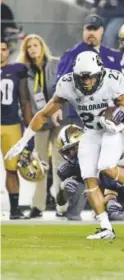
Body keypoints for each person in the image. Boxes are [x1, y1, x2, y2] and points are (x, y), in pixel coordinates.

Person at [5, 51, 124, 240]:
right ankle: (105, 228)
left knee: (106, 167)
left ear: (99, 74)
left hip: (112, 131)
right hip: (91, 132)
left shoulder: (112, 81)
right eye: (82, 78)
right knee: (89, 178)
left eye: (90, 77)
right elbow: (44, 114)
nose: (85, 82)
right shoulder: (67, 84)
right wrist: (23, 140)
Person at [17, 34, 64, 218]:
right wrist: (30, 121)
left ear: (42, 46)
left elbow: (64, 88)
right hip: (40, 123)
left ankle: (62, 206)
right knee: (40, 164)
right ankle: (38, 206)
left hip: (58, 119)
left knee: (60, 164)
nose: (33, 49)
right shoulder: (26, 71)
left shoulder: (56, 64)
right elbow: (26, 99)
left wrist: (58, 110)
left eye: (35, 45)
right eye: (29, 47)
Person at [55, 14, 121, 127]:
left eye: (94, 29)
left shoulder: (111, 55)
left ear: (102, 31)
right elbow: (60, 84)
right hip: (80, 116)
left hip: (106, 114)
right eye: (88, 29)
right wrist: (57, 107)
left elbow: (118, 84)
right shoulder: (72, 54)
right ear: (83, 31)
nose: (91, 33)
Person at [0, 38, 32, 219]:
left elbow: (24, 100)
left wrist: (29, 129)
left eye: (3, 49)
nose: (1, 53)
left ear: (7, 51)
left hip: (11, 125)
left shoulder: (16, 71)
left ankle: (14, 209)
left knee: (12, 169)